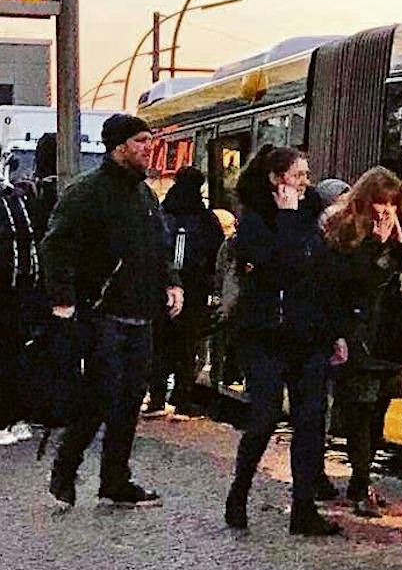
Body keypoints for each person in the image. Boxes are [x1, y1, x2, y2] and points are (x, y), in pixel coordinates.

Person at [42, 114, 180, 510]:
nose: (148, 148)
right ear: (118, 146)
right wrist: (63, 298)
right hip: (101, 313)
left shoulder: (145, 196)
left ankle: (115, 480)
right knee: (101, 396)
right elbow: (56, 246)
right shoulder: (86, 192)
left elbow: (158, 245)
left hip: (140, 314)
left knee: (130, 400)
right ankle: (65, 470)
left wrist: (171, 282)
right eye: (140, 141)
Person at [223, 147, 345, 537]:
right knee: (264, 417)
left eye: (307, 174)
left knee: (310, 422)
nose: (306, 182)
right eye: (299, 175)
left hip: (308, 336)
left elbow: (320, 278)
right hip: (265, 336)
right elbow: (281, 268)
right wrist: (289, 217)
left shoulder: (311, 216)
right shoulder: (255, 221)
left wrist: (334, 333)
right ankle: (238, 492)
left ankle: (304, 508)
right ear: (277, 179)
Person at [321, 168, 402, 518]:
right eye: (380, 201)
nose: (386, 209)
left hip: (390, 337)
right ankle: (360, 484)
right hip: (359, 335)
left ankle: (363, 480)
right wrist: (376, 244)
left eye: (392, 202)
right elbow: (349, 282)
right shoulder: (345, 233)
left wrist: (401, 245)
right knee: (361, 413)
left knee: (378, 412)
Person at [145, 167, 222, 417]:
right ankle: (182, 399)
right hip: (195, 290)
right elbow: (216, 256)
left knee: (160, 343)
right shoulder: (206, 219)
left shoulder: (162, 214)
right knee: (188, 345)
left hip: (161, 288)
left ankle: (156, 398)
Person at [0, 166, 39, 445]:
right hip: (19, 292)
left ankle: (10, 417)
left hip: (14, 294)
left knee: (12, 356)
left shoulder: (15, 199)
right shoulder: (16, 200)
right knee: (13, 356)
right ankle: (11, 417)